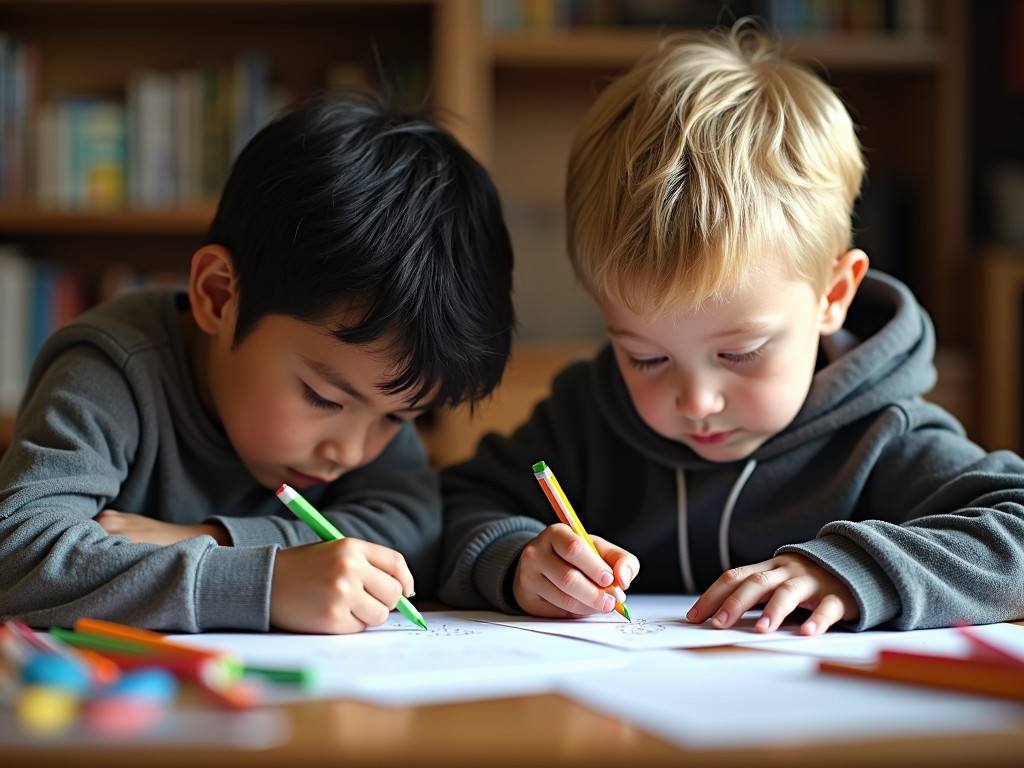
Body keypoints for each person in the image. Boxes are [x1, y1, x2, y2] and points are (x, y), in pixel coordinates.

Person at [438, 21, 1024, 634]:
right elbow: (455, 506)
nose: (697, 402)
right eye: (646, 358)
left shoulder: (882, 435)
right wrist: (515, 560)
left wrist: (855, 571)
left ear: (834, 294)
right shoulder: (584, 416)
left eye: (741, 353)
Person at [0, 90, 515, 634]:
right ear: (220, 295)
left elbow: (415, 530)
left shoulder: (373, 394)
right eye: (324, 397)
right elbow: (18, 556)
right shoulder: (113, 368)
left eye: (396, 420)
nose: (349, 450)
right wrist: (262, 584)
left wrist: (215, 539)